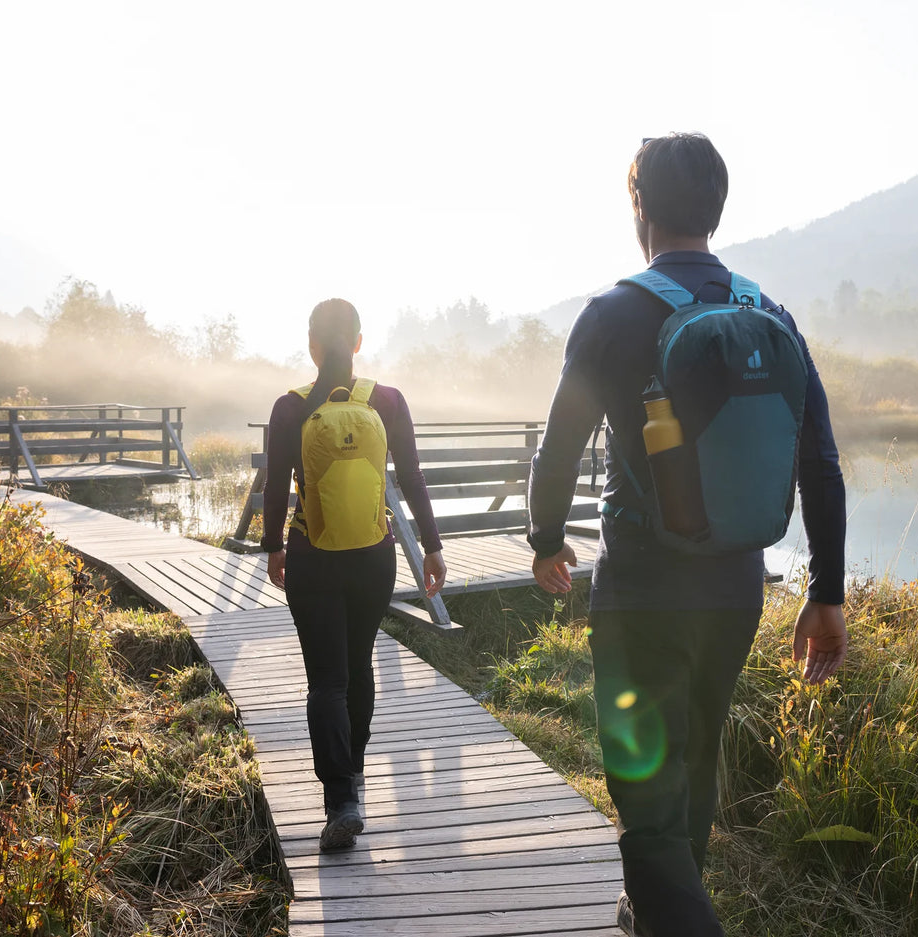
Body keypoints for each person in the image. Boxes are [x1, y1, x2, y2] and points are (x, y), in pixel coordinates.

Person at [527, 133, 848, 937]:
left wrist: (544, 537)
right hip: (738, 589)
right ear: (717, 206)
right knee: (696, 765)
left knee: (646, 805)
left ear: (639, 207)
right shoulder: (766, 312)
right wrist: (827, 593)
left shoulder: (610, 313)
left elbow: (559, 444)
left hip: (642, 592)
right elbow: (820, 461)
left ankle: (667, 914)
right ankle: (648, 914)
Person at [263, 298, 447, 852]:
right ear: (359, 342)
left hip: (312, 555)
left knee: (326, 678)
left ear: (312, 346)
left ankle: (340, 797)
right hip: (375, 554)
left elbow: (276, 487)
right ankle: (357, 774)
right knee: (360, 663)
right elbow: (412, 478)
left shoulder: (289, 407)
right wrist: (433, 548)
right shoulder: (387, 401)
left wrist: (274, 547)